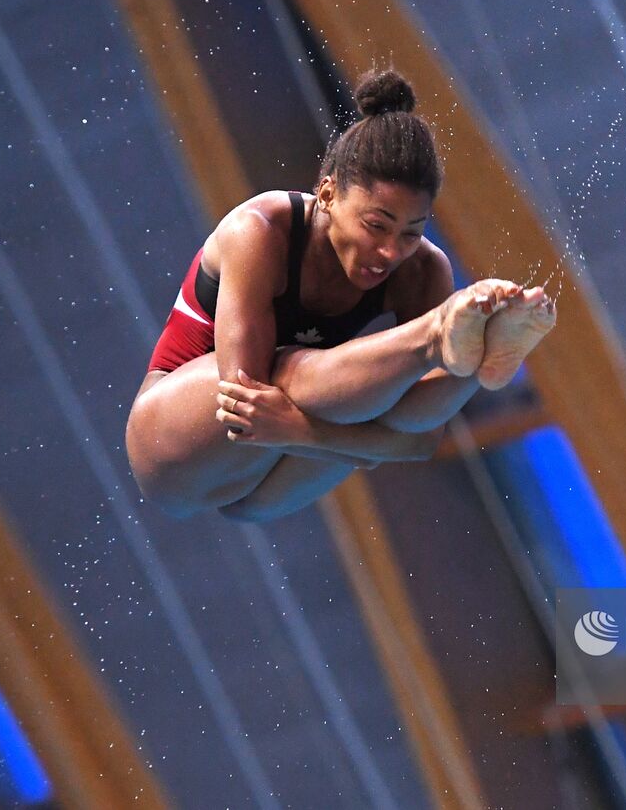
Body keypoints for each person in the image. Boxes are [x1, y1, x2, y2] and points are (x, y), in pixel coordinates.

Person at [125, 69, 555, 523]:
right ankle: (433, 338)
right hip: (170, 447)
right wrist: (351, 441)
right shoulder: (260, 230)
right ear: (327, 193)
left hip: (262, 489)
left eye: (412, 232)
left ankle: (478, 364)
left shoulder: (423, 269)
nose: (390, 251)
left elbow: (421, 441)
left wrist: (311, 433)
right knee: (309, 381)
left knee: (382, 399)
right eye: (376, 225)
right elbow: (246, 408)